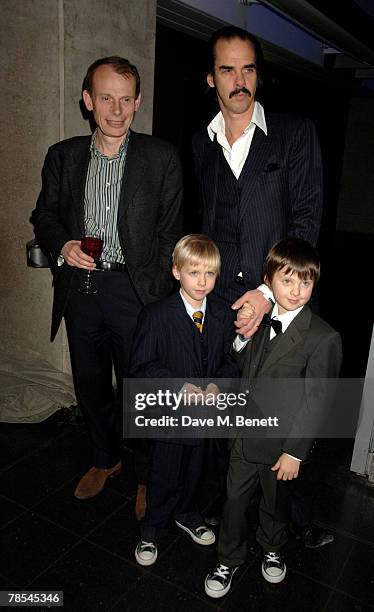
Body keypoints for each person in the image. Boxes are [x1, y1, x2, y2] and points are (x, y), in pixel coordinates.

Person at [192, 25, 331, 546]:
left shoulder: (295, 133)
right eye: (227, 69)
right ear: (212, 78)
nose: (239, 79)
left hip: (281, 305)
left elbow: (306, 222)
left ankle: (290, 519)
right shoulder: (201, 142)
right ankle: (222, 504)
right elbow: (208, 221)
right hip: (223, 304)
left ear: (259, 75)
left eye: (248, 68)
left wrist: (270, 293)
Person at [32, 56, 183, 507]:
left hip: (135, 292)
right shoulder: (63, 155)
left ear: (137, 103)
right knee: (90, 383)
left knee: (141, 389)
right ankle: (105, 458)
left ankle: (145, 474)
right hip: (81, 289)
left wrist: (153, 296)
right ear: (87, 100)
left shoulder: (161, 157)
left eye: (125, 100)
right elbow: (44, 215)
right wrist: (63, 245)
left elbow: (170, 234)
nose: (115, 110)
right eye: (105, 98)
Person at [204, 238, 342, 598]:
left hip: (282, 444)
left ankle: (272, 549)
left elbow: (318, 401)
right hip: (243, 433)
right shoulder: (261, 320)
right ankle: (227, 558)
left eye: (306, 282)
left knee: (275, 503)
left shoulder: (323, 337)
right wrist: (241, 335)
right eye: (287, 281)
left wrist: (295, 452)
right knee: (233, 502)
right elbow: (242, 365)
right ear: (269, 280)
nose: (296, 291)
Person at [130, 234, 239, 566]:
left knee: (198, 470)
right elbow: (141, 368)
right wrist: (179, 387)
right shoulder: (157, 315)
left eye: (210, 274)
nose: (202, 282)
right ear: (176, 271)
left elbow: (230, 361)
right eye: (194, 273)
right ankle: (152, 528)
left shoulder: (221, 314)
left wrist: (219, 385)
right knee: (165, 472)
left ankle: (188, 514)